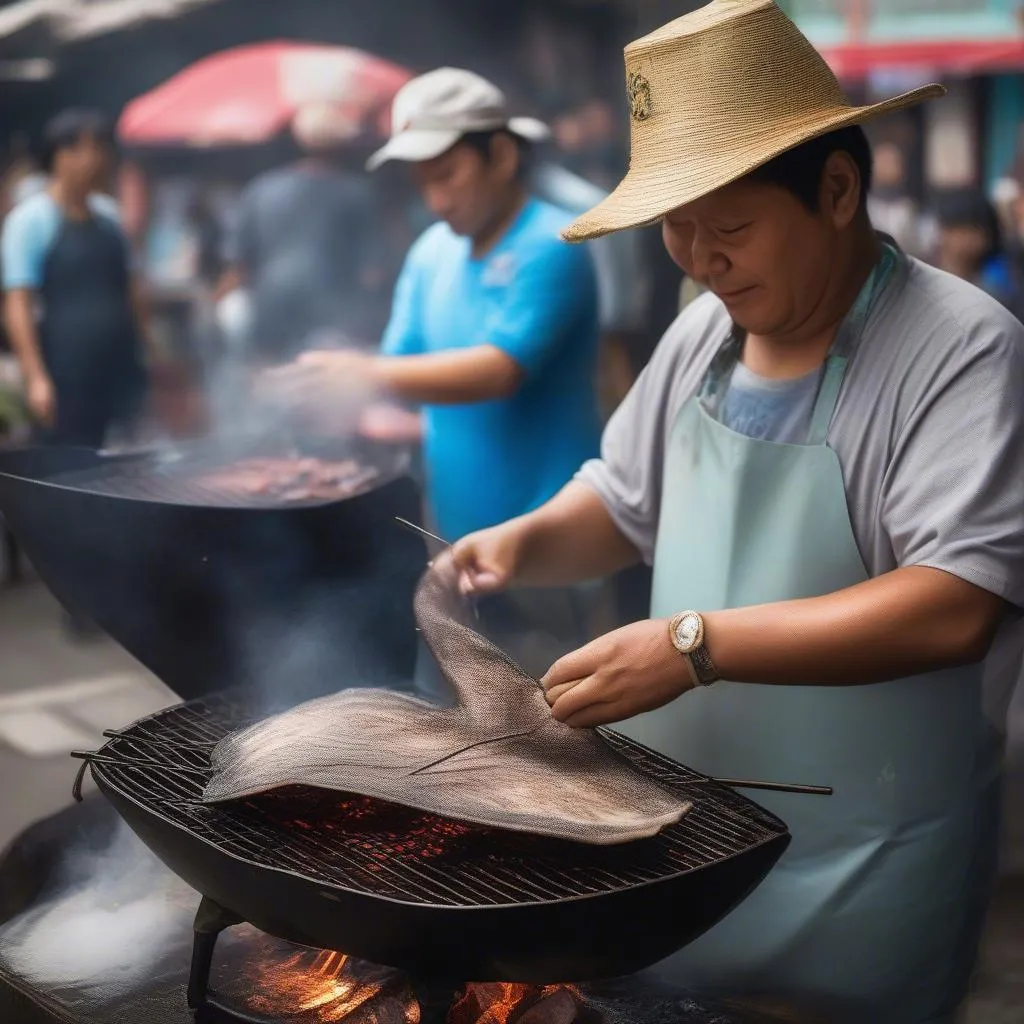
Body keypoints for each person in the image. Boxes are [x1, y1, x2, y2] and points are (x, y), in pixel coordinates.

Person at [448, 3, 1024, 1021]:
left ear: (836, 189)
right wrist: (520, 541)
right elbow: (624, 504)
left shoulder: (961, 347)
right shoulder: (700, 336)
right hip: (682, 851)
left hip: (865, 869)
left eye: (729, 224)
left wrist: (691, 644)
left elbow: (955, 601)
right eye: (676, 225)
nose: (699, 258)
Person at [267, 68, 605, 681]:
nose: (436, 199)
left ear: (500, 155)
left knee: (557, 728)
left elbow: (498, 371)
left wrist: (363, 372)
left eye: (447, 174)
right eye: (424, 182)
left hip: (550, 547)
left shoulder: (553, 243)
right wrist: (326, 398)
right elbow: (402, 371)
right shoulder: (430, 253)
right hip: (452, 541)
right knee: (462, 725)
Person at [1, 109, 151, 448]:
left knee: (130, 461)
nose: (98, 159)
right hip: (67, 368)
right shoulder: (30, 221)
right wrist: (36, 376)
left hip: (120, 363)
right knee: (72, 462)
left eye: (102, 148)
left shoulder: (110, 217)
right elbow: (18, 303)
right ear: (60, 156)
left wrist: (149, 352)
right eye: (88, 148)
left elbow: (132, 288)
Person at [216, 102, 385, 364]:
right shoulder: (356, 193)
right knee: (322, 393)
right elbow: (372, 274)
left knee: (270, 387)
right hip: (333, 320)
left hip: (270, 311)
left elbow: (240, 266)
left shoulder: (261, 189)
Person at [933, 188, 1024, 320]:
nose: (965, 241)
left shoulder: (1001, 280)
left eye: (973, 231)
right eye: (958, 231)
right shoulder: (925, 276)